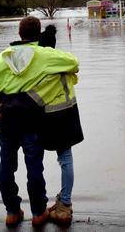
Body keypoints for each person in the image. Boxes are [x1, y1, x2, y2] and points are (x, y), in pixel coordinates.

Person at [0, 16, 79, 227]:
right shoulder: (46, 55)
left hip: (5, 123)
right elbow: (73, 63)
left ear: (19, 33)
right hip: (32, 121)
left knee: (6, 165)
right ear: (38, 32)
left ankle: (12, 211)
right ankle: (38, 213)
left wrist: (1, 107)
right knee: (34, 167)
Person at [37, 24, 84, 225]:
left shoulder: (40, 64)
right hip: (69, 113)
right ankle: (65, 202)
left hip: (49, 116)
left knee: (35, 159)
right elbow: (74, 76)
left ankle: (43, 205)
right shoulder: (64, 63)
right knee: (66, 159)